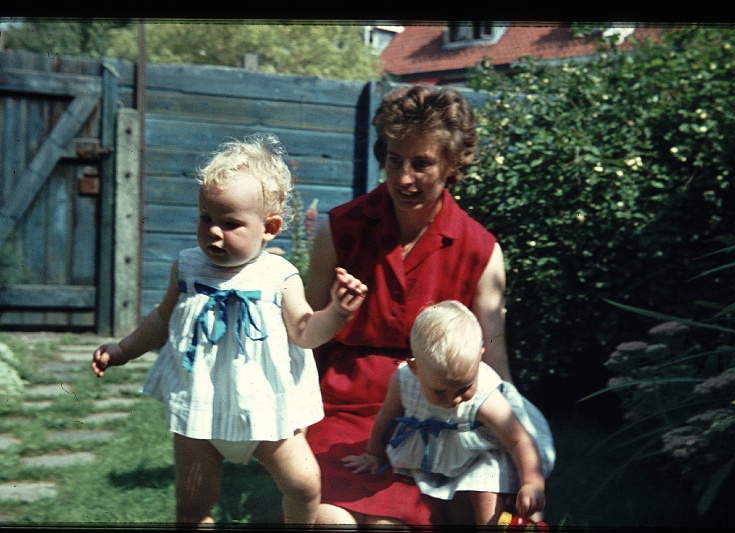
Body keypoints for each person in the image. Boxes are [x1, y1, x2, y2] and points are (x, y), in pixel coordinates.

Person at [91, 133, 368, 528]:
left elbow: (305, 332)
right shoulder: (187, 266)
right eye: (206, 218)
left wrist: (338, 312)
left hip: (266, 410)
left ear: (268, 227)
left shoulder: (279, 275)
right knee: (192, 507)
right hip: (200, 407)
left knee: (304, 485)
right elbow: (161, 319)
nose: (214, 232)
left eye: (230, 223)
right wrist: (122, 350)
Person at [304, 84, 516, 526]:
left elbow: (493, 365)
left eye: (422, 164)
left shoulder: (480, 250)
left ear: (452, 165)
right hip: (337, 413)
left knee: (392, 526)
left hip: (429, 417)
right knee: (330, 523)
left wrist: (515, 450)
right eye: (394, 160)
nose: (403, 178)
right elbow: (302, 340)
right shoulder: (340, 229)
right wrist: (292, 425)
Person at [342, 300, 555, 525]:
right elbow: (386, 418)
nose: (453, 400)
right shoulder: (403, 380)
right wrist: (373, 454)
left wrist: (531, 483)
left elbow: (519, 439)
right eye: (441, 391)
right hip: (442, 449)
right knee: (454, 515)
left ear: (479, 359)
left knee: (485, 498)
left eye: (464, 388)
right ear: (415, 369)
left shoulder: (485, 395)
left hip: (482, 451)